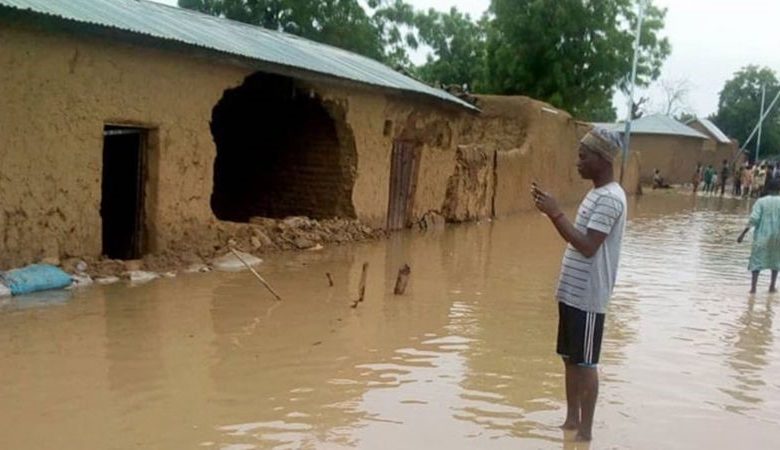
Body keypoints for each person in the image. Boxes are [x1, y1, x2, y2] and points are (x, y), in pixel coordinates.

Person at [530, 127, 627, 442]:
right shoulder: (596, 193)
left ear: (602, 159)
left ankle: (585, 432)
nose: (578, 163)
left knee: (586, 362)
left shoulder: (611, 199)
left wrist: (555, 213)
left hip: (588, 297)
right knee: (570, 358)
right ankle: (571, 421)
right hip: (572, 293)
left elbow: (587, 246)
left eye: (584, 157)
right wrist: (553, 212)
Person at [737, 179, 780, 293]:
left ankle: (753, 288)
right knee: (776, 260)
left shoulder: (761, 202)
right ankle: (771, 286)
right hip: (778, 237)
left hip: (762, 236)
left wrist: (743, 234)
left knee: (756, 261)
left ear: (768, 189)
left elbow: (754, 219)